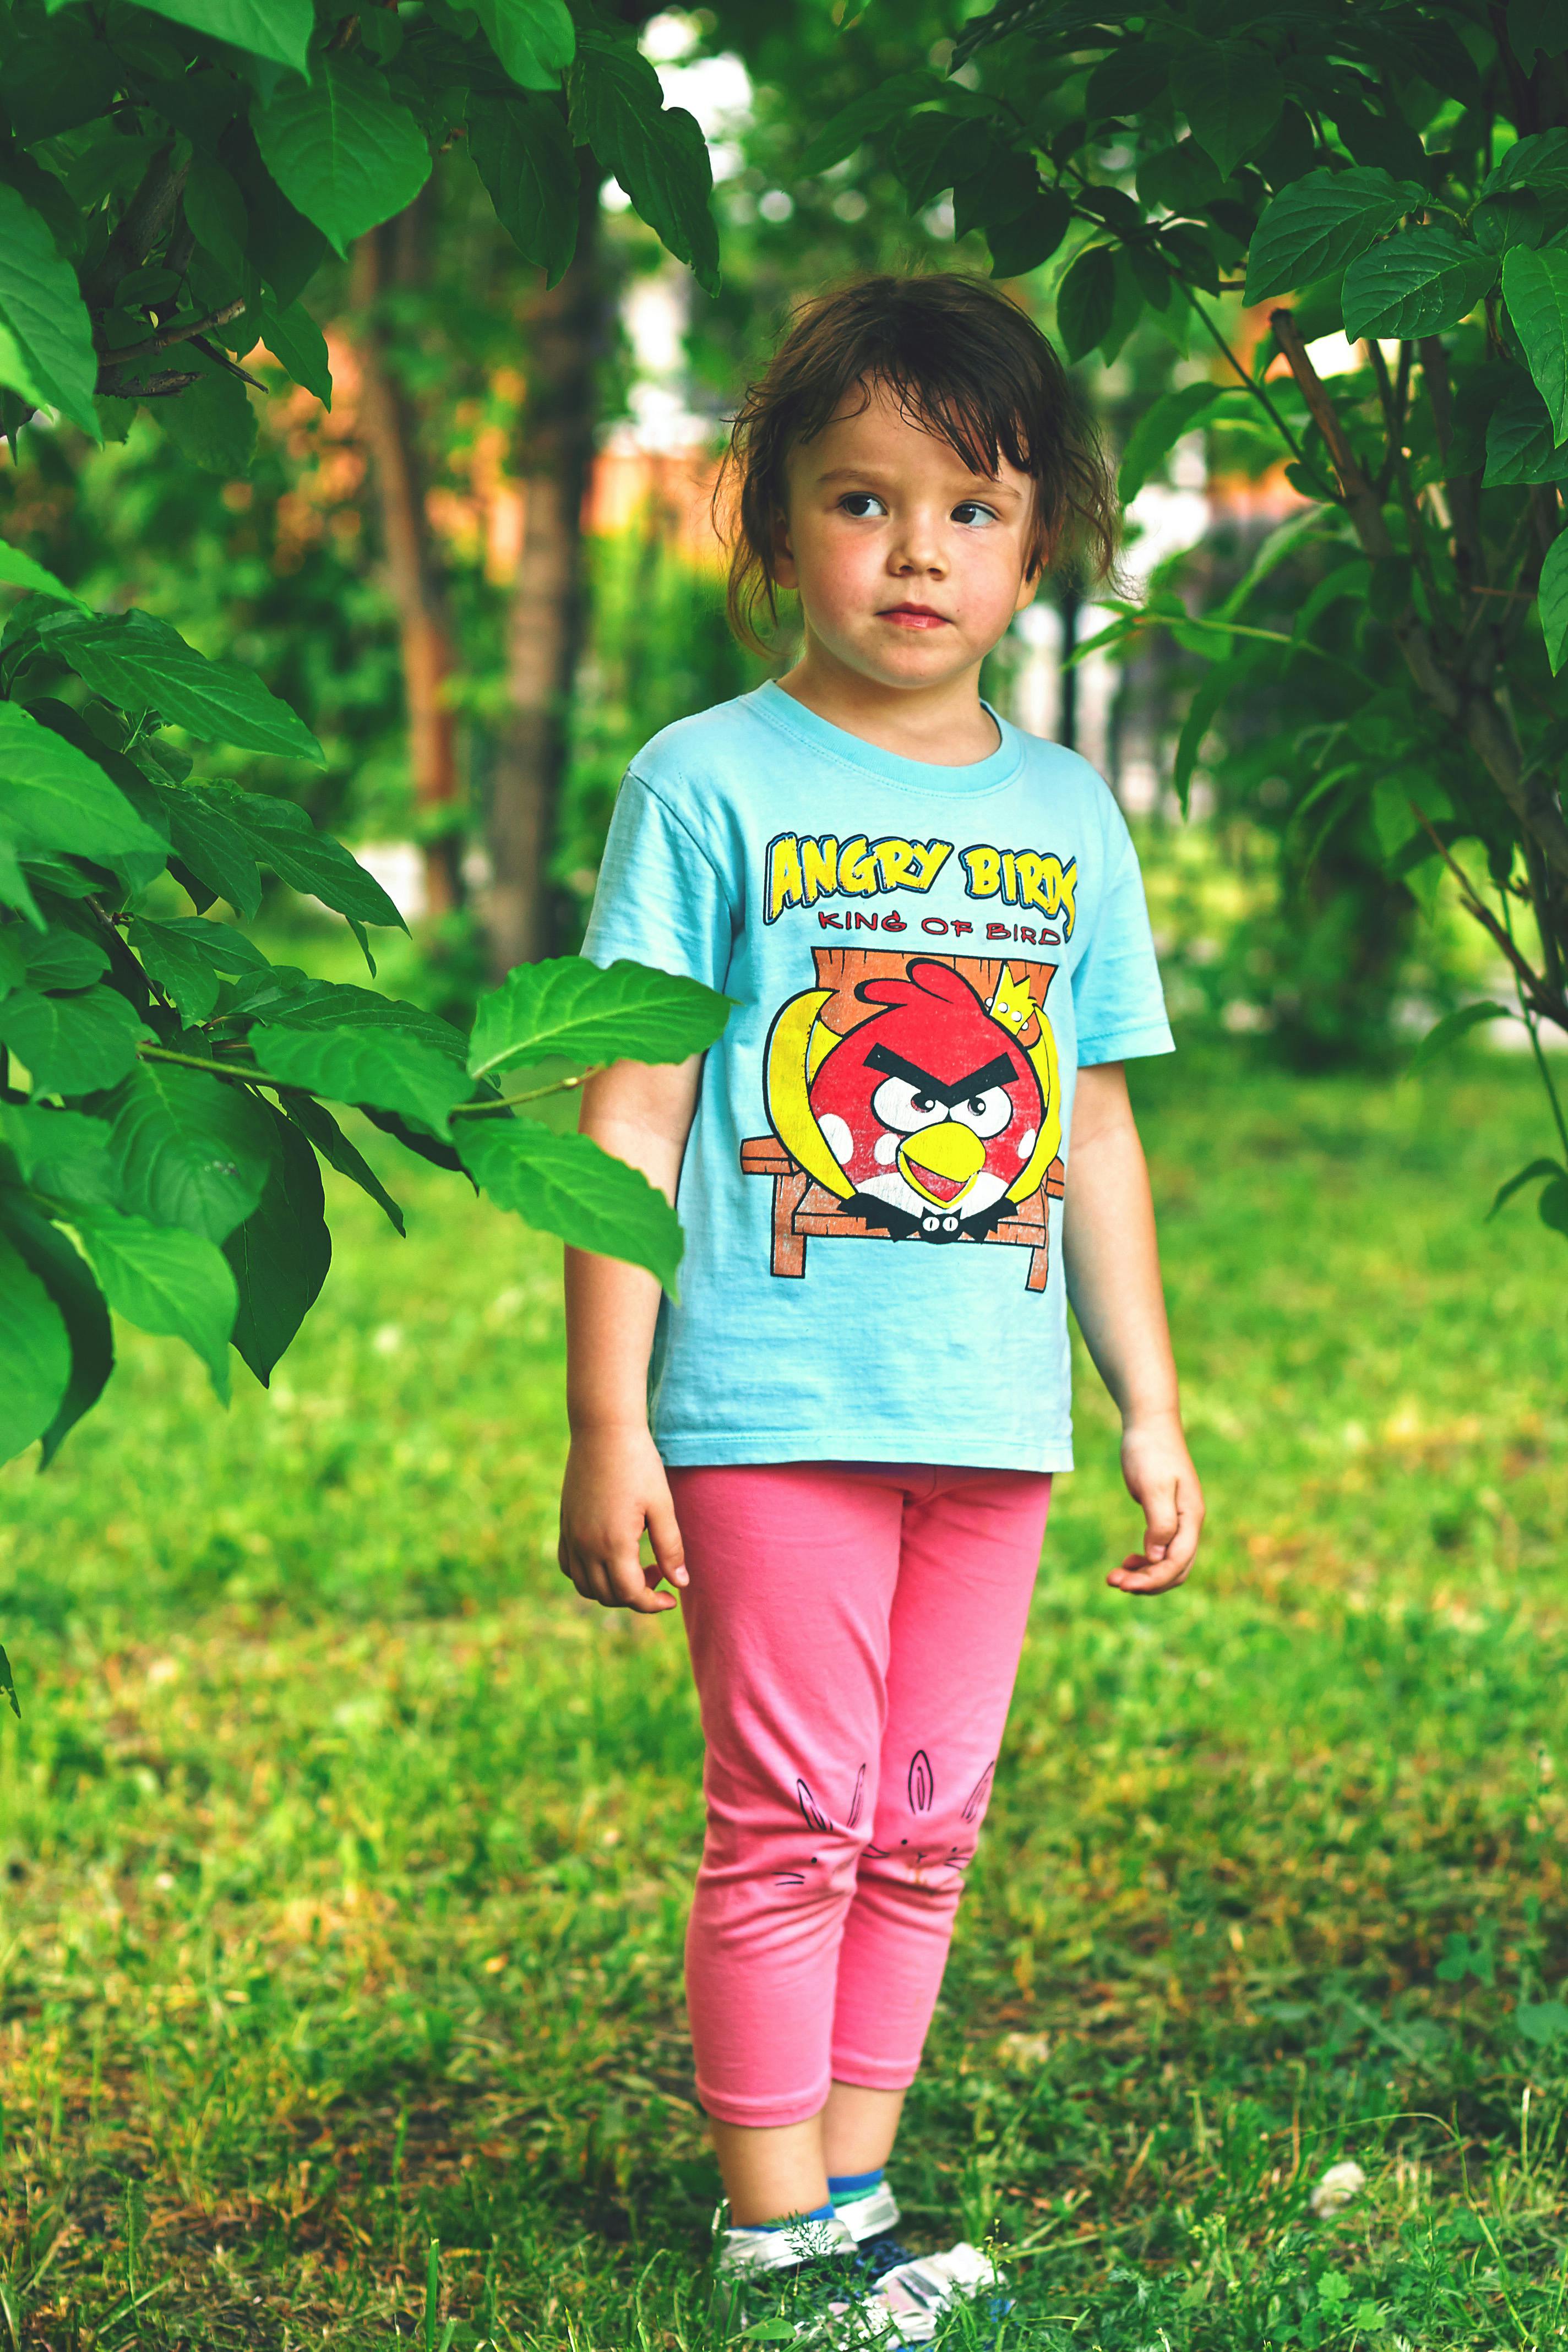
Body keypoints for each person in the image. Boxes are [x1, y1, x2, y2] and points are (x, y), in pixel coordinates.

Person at [558, 274, 1204, 2341]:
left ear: (1039, 541)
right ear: (776, 524)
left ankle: (854, 2188)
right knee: (793, 1815)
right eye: (863, 501)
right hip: (769, 1402)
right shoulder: (707, 782)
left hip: (989, 1415)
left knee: (925, 1823)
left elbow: (1094, 1133)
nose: (918, 552)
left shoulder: (1068, 813)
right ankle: (775, 2231)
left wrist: (1148, 1405)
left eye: (971, 508)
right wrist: (607, 1420)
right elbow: (634, 1106)